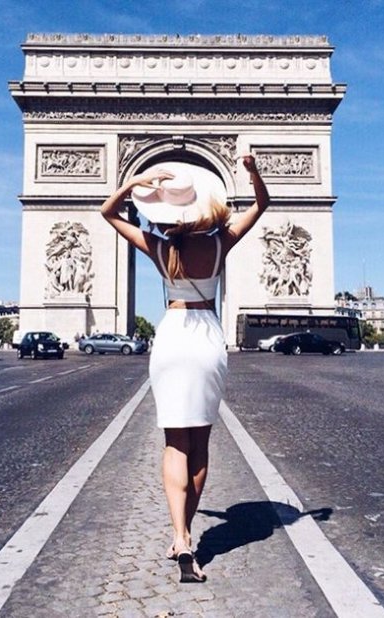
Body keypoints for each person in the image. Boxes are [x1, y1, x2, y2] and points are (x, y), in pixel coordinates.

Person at [101, 155, 269, 583]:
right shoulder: (219, 243)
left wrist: (136, 180)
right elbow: (261, 205)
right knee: (201, 443)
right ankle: (185, 534)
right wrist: (251, 174)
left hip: (173, 336)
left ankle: (181, 536)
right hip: (207, 337)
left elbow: (107, 213)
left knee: (174, 442)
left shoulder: (160, 247)